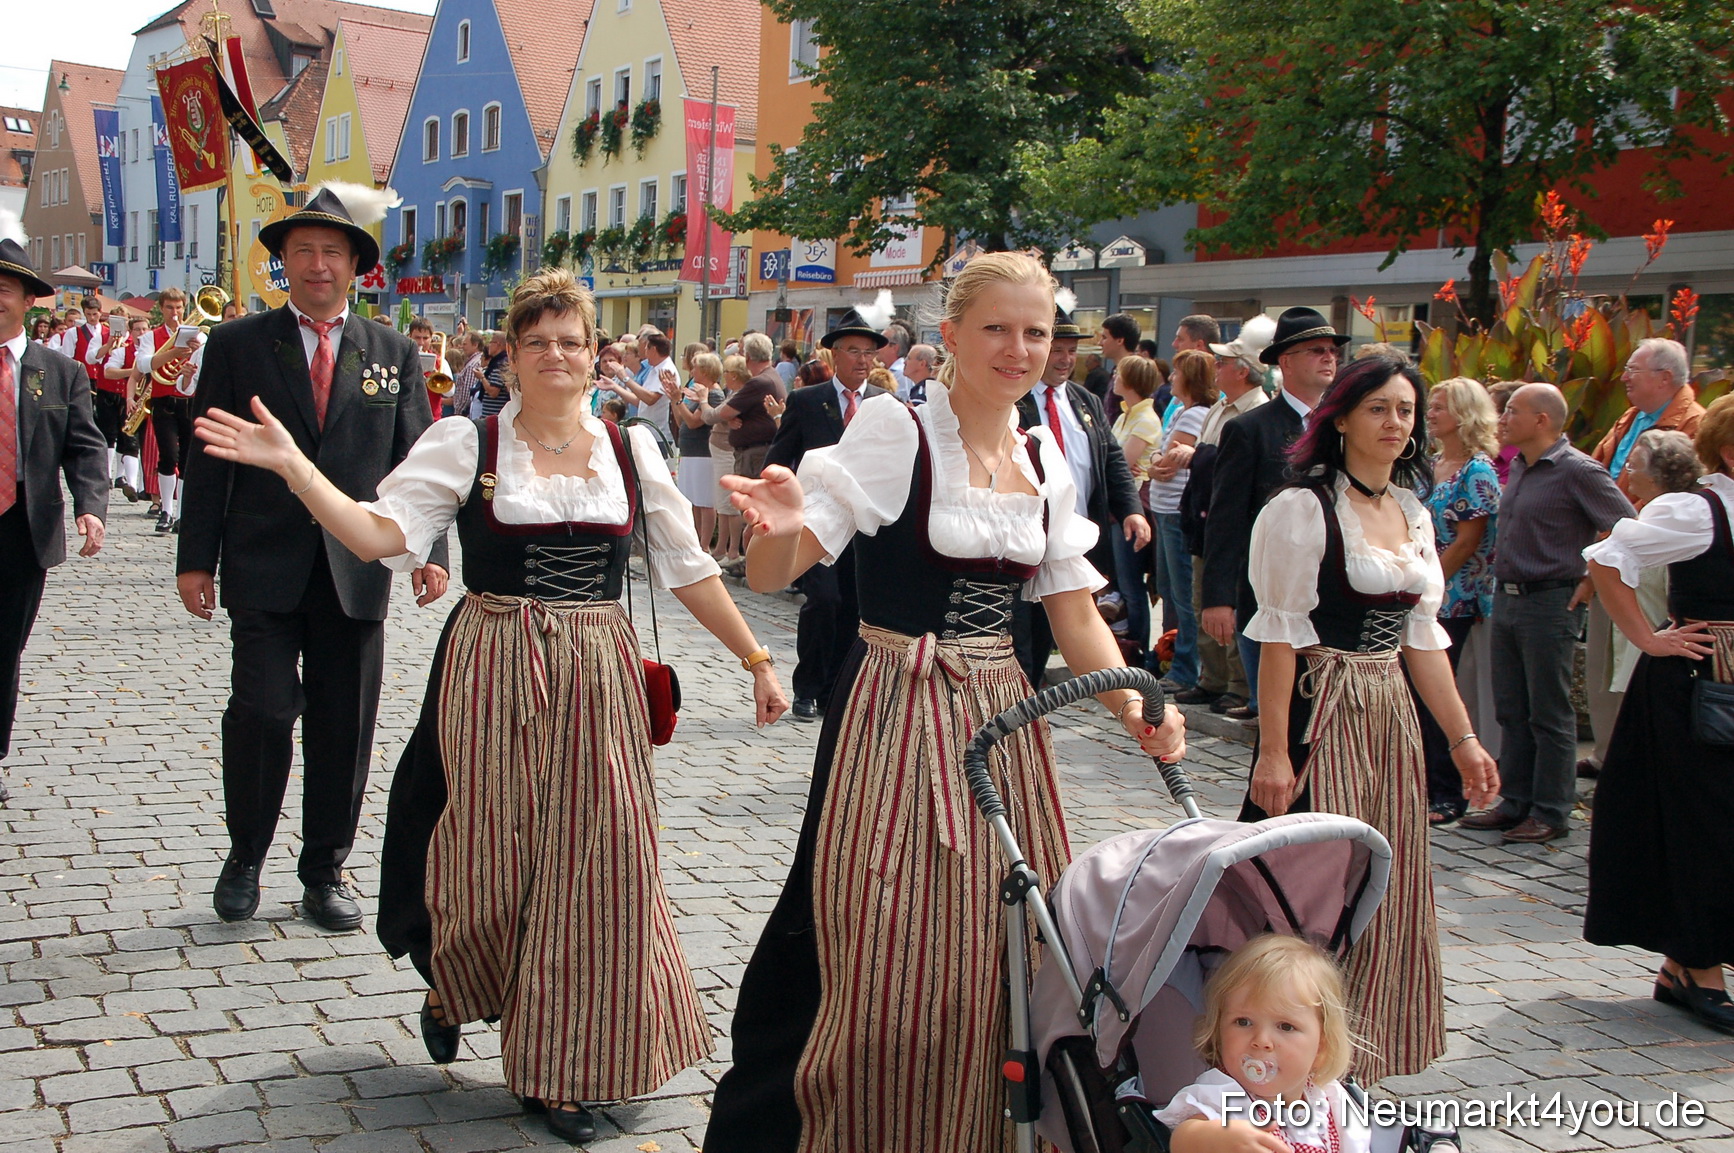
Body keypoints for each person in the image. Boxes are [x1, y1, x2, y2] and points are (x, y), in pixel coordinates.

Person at [195, 266, 789, 1141]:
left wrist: (757, 657)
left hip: (598, 671)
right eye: (537, 340)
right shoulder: (465, 444)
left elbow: (690, 568)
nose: (556, 354)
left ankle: (560, 1065)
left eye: (572, 341)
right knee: (489, 857)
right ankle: (455, 972)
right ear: (510, 355)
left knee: (597, 868)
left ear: (596, 357)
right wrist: (294, 467)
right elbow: (377, 533)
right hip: (493, 665)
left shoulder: (633, 450)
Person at [706, 253, 1185, 1153]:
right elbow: (780, 570)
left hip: (1004, 713)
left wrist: (1133, 703)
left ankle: (968, 1126)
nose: (1018, 347)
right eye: (997, 328)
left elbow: (1071, 608)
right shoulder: (896, 430)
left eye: (1035, 331)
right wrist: (772, 525)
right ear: (952, 335)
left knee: (1003, 946)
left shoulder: (1045, 452)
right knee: (884, 938)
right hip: (897, 706)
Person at [177, 187, 450, 932]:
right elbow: (209, 460)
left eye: (333, 251)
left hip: (356, 570)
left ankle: (324, 867)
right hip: (262, 564)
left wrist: (429, 550)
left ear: (356, 265)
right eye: (304, 250)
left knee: (345, 723)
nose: (318, 263)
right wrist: (194, 557)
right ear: (284, 262)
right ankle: (245, 855)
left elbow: (421, 465)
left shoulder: (391, 352)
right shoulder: (237, 345)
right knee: (262, 711)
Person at [1240, 354, 1498, 1083]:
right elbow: (1283, 636)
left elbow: (1423, 641)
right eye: (1379, 408)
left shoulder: (1414, 510)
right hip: (1325, 710)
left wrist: (1464, 737)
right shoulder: (1302, 507)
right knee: (1315, 887)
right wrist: (1274, 749)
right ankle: (1285, 1054)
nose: (1395, 423)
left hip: (1389, 714)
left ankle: (1356, 1057)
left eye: (1407, 410)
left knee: (1387, 886)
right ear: (1343, 416)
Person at [1582, 394, 1734, 1036]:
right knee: (1705, 825)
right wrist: (1649, 637)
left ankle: (1683, 963)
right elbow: (1608, 558)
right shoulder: (1697, 511)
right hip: (1700, 688)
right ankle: (1700, 968)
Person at [1459, 384, 1633, 844]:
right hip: (1510, 599)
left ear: (1542, 420)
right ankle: (1515, 801)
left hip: (1552, 602)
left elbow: (1626, 525)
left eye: (1513, 410)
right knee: (1512, 708)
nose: (1503, 417)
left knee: (1549, 713)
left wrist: (1592, 580)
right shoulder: (1519, 465)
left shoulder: (1577, 471)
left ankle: (1552, 810)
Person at [0, 240, 108, 805]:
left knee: (4, 648)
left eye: (3, 291)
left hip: (22, 527)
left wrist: (91, 504)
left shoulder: (58, 372)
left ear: (27, 301)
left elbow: (85, 447)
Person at [1203, 307, 1346, 724]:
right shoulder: (1251, 428)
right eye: (1316, 350)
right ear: (1285, 361)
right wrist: (1218, 598)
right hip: (1266, 596)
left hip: (1332, 594)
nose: (1328, 358)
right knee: (1279, 720)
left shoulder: (1345, 425)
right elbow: (1226, 517)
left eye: (1332, 351)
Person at [1581, 338, 1705, 777]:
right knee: (1604, 662)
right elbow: (1601, 472)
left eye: (1634, 368)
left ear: (1665, 378)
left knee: (1637, 658)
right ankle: (1608, 753)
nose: (1625, 377)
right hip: (1615, 545)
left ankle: (1633, 759)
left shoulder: (1692, 424)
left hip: (1649, 553)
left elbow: (1682, 491)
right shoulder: (1630, 416)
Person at [762, 309, 891, 720]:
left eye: (869, 353)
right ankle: (807, 685)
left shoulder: (886, 405)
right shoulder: (806, 401)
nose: (862, 360)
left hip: (866, 528)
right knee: (824, 600)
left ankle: (838, 688)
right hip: (816, 522)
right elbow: (779, 461)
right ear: (834, 355)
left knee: (855, 608)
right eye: (854, 351)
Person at [1015, 307, 1147, 686]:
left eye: (1072, 351)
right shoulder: (1016, 396)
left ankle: (1034, 686)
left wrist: (1131, 511)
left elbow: (1112, 460)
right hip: (1027, 536)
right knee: (1022, 628)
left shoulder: (1085, 400)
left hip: (1076, 538)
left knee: (1061, 623)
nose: (1066, 359)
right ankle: (1019, 695)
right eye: (1058, 350)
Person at [1157, 935, 1368, 1153]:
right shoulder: (1222, 1095)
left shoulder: (1330, 1101)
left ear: (1321, 1046)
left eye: (1285, 1027)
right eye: (1243, 1022)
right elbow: (1185, 1137)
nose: (1261, 1041)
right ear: (1219, 1033)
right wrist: (1214, 1140)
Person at [1177, 316, 1274, 713]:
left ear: (1243, 370)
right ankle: (1212, 678)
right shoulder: (1221, 408)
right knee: (1201, 599)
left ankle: (1238, 684)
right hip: (1204, 520)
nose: (1215, 367)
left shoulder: (1256, 412)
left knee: (1229, 605)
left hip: (1233, 526)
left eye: (1223, 363)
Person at [1419, 378, 1501, 826]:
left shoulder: (1477, 471)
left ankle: (1450, 792)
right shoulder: (1433, 463)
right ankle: (1426, 783)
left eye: (1439, 407)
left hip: (1455, 597)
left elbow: (1469, 541)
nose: (1430, 414)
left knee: (1442, 695)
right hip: (1422, 594)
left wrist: (1428, 583)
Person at [1145, 349, 1214, 691]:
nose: (1171, 378)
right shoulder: (1180, 412)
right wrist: (1155, 461)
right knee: (1169, 590)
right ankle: (1172, 657)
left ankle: (1187, 667)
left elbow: (1164, 465)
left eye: (1177, 373)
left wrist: (1154, 463)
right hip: (1163, 509)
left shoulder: (1194, 415)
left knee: (1183, 593)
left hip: (1175, 510)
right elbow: (1158, 458)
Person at [1104, 354, 1163, 664]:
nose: (1114, 378)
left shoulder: (1146, 418)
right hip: (1116, 509)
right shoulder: (1125, 415)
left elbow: (1121, 463)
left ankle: (1139, 651)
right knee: (1121, 582)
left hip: (1135, 505)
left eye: (1119, 374)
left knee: (1131, 583)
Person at [139, 286, 202, 533]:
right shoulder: (150, 336)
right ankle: (166, 510)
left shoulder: (198, 336)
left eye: (178, 308)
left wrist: (195, 353)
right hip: (163, 400)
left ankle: (182, 513)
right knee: (168, 455)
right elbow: (144, 364)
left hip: (189, 400)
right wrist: (174, 353)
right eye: (169, 307)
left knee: (187, 458)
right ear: (161, 308)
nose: (174, 313)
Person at [673, 350, 721, 552]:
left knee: (705, 500)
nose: (692, 371)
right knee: (692, 500)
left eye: (696, 368)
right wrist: (676, 401)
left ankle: (704, 544)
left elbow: (693, 422)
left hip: (703, 453)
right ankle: (696, 539)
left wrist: (678, 401)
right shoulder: (697, 391)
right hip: (690, 451)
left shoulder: (714, 394)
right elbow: (681, 420)